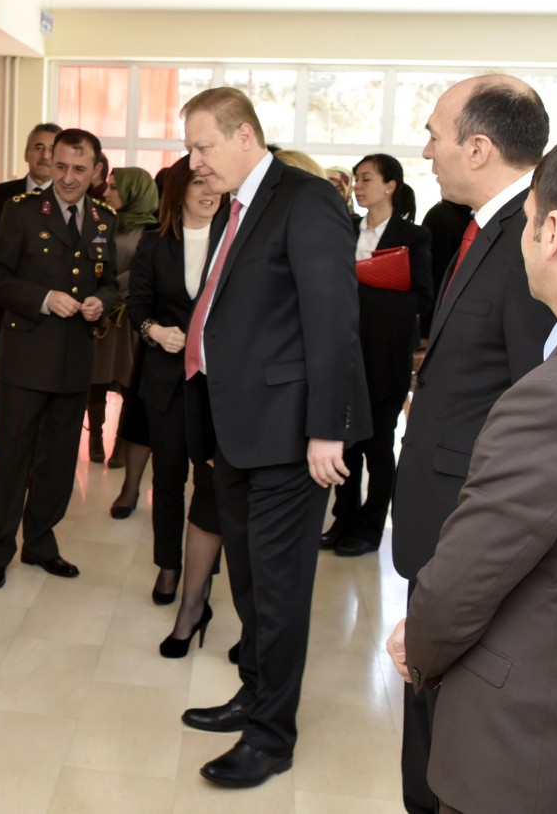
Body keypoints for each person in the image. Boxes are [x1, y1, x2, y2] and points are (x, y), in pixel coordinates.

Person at [387, 126, 557, 814]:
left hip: (531, 749)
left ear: (554, 231)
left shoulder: (555, 395)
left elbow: (459, 590)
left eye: (530, 220)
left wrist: (418, 640)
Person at [177, 87, 370, 789]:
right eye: (191, 148)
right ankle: (252, 693)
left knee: (281, 590)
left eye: (203, 146)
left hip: (293, 435)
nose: (194, 162)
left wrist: (328, 429)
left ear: (245, 134)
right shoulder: (242, 204)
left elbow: (331, 319)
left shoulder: (304, 196)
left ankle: (271, 736)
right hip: (240, 428)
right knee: (253, 583)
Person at [0, 128, 119, 589]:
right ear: (48, 163)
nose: (68, 177)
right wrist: (43, 298)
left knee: (58, 461)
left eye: (79, 169)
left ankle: (41, 542)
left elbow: (110, 279)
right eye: (60, 167)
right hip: (24, 358)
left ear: (96, 171)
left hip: (75, 359)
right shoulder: (20, 213)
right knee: (12, 458)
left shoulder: (102, 219)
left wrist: (101, 301)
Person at [125, 157, 223, 643]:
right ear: (179, 190)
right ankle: (168, 565)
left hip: (216, 385)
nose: (209, 191)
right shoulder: (156, 241)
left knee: (213, 485)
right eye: (198, 183)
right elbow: (136, 306)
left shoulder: (234, 239)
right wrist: (153, 331)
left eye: (215, 183)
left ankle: (202, 579)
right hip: (165, 379)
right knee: (166, 480)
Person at [322, 154, 434, 556]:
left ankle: (370, 529)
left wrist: (368, 282)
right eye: (356, 179)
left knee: (377, 446)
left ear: (391, 186)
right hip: (342, 352)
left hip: (384, 355)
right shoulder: (346, 227)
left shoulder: (413, 236)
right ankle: (343, 520)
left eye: (367, 178)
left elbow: (422, 295)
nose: (360, 185)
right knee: (344, 443)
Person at [0, 123, 61, 483]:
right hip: (8, 310)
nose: (44, 155)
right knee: (5, 391)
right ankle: (6, 464)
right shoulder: (3, 194)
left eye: (51, 149)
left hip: (52, 316)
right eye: (38, 147)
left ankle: (39, 467)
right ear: (26, 153)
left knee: (44, 393)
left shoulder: (67, 198)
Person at [88, 167, 158, 467]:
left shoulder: (152, 230)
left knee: (129, 385)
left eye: (115, 187)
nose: (106, 192)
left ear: (134, 192)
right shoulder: (103, 223)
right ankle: (94, 438)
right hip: (102, 318)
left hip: (129, 319)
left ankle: (121, 444)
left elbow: (143, 274)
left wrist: (109, 290)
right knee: (96, 381)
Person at [417, 198, 472, 339]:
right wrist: (428, 331)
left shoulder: (473, 214)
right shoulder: (441, 216)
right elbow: (435, 277)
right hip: (444, 322)